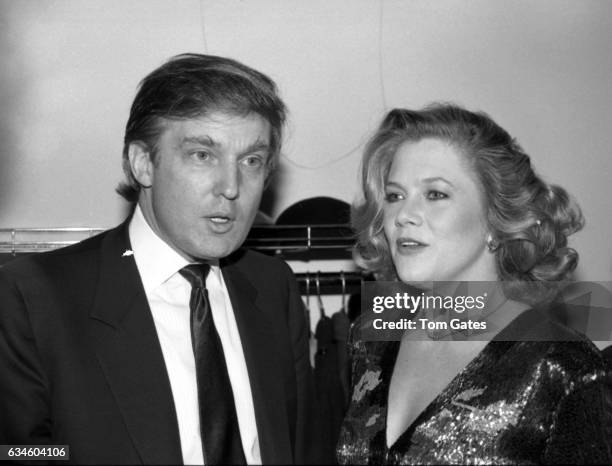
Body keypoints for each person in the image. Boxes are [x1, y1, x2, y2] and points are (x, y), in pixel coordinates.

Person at [0, 54, 320, 465]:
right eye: (202, 155)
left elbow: (304, 446)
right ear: (142, 163)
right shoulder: (33, 297)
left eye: (251, 161)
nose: (231, 187)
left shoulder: (272, 284)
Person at [337, 103, 612, 464]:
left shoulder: (561, 365)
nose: (403, 216)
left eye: (435, 194)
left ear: (495, 218)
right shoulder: (371, 337)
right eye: (394, 196)